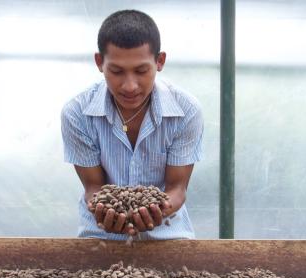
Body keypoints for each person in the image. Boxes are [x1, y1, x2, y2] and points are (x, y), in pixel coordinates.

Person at [61, 9, 204, 240]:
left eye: (141, 71)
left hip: (168, 236)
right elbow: (93, 188)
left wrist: (156, 211)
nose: (130, 86)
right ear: (99, 62)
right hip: (100, 236)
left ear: (160, 61)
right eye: (116, 71)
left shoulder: (186, 110)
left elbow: (177, 188)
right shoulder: (77, 113)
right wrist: (105, 210)